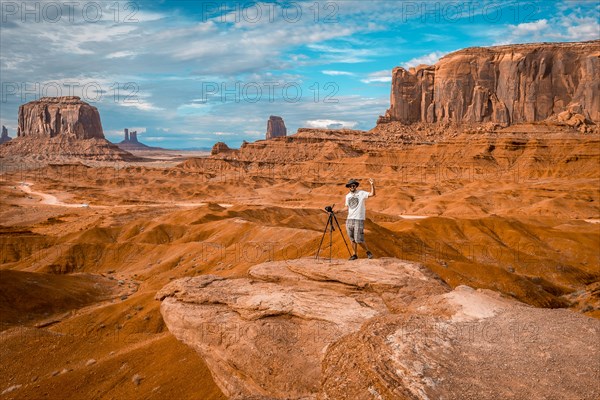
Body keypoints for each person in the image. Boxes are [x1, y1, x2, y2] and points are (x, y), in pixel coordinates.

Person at [343, 178, 375, 260]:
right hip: (349, 219)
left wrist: (372, 185)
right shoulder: (347, 196)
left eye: (353, 185)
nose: (352, 187)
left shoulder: (361, 193)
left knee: (358, 239)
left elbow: (372, 194)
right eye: (350, 186)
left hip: (358, 219)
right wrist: (335, 211)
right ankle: (354, 255)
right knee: (352, 239)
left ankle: (368, 252)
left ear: (356, 186)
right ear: (349, 187)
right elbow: (347, 208)